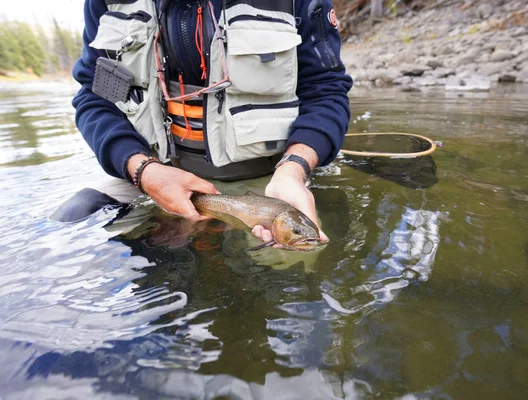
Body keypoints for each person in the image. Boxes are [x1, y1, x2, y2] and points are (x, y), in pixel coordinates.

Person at [59, 0, 352, 246]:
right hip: (152, 173)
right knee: (73, 219)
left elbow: (325, 91)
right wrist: (143, 171)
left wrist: (293, 170)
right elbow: (97, 98)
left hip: (271, 181)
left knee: (293, 266)